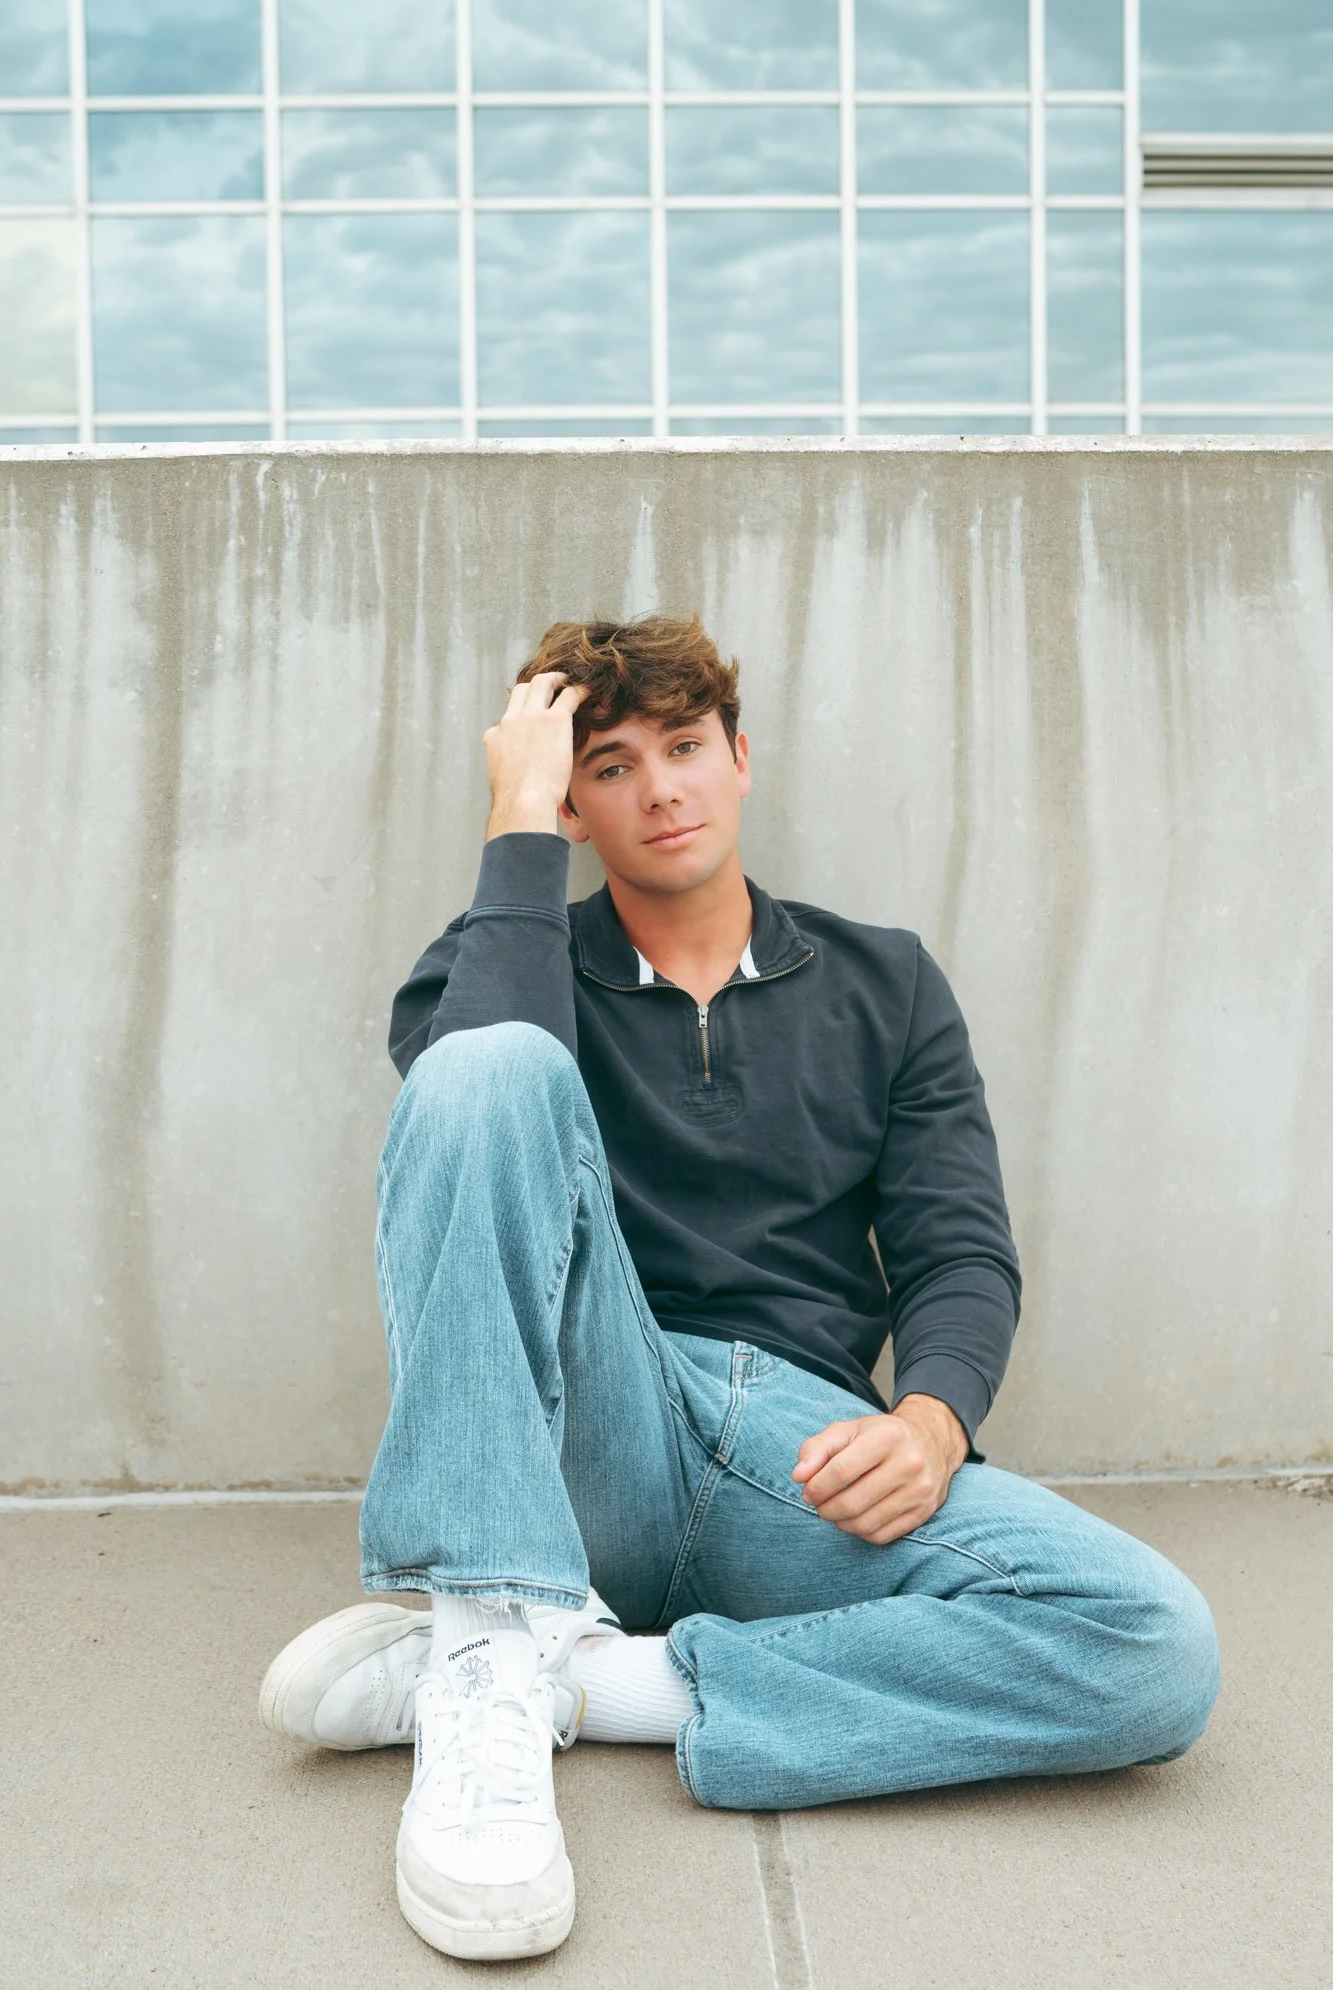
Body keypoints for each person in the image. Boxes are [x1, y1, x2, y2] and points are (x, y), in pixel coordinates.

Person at [259, 615, 1220, 1963]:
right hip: (602, 1418)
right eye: (607, 765)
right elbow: (470, 1128)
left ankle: (589, 1683)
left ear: (740, 758)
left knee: (1153, 1644)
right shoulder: (503, 954)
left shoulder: (885, 982)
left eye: (686, 748)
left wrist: (930, 1423)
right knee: (487, 1072)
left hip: (803, 1457)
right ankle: (489, 1643)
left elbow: (957, 1246)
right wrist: (514, 828)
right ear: (574, 807)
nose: (659, 788)